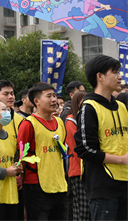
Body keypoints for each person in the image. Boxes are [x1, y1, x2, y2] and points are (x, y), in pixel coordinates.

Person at [74, 55, 128, 220]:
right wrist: (121, 160)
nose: (120, 77)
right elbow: (84, 149)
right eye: (115, 72)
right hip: (103, 189)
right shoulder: (89, 108)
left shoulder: (121, 106)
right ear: (100, 76)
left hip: (125, 184)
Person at [18, 82, 68, 220]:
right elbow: (22, 155)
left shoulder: (60, 123)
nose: (54, 100)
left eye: (54, 96)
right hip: (36, 185)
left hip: (60, 185)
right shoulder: (29, 124)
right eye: (49, 96)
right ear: (36, 101)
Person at [64, 91, 90, 221]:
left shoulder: (85, 118)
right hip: (78, 170)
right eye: (82, 101)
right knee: (82, 210)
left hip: (88, 169)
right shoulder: (71, 121)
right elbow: (77, 148)